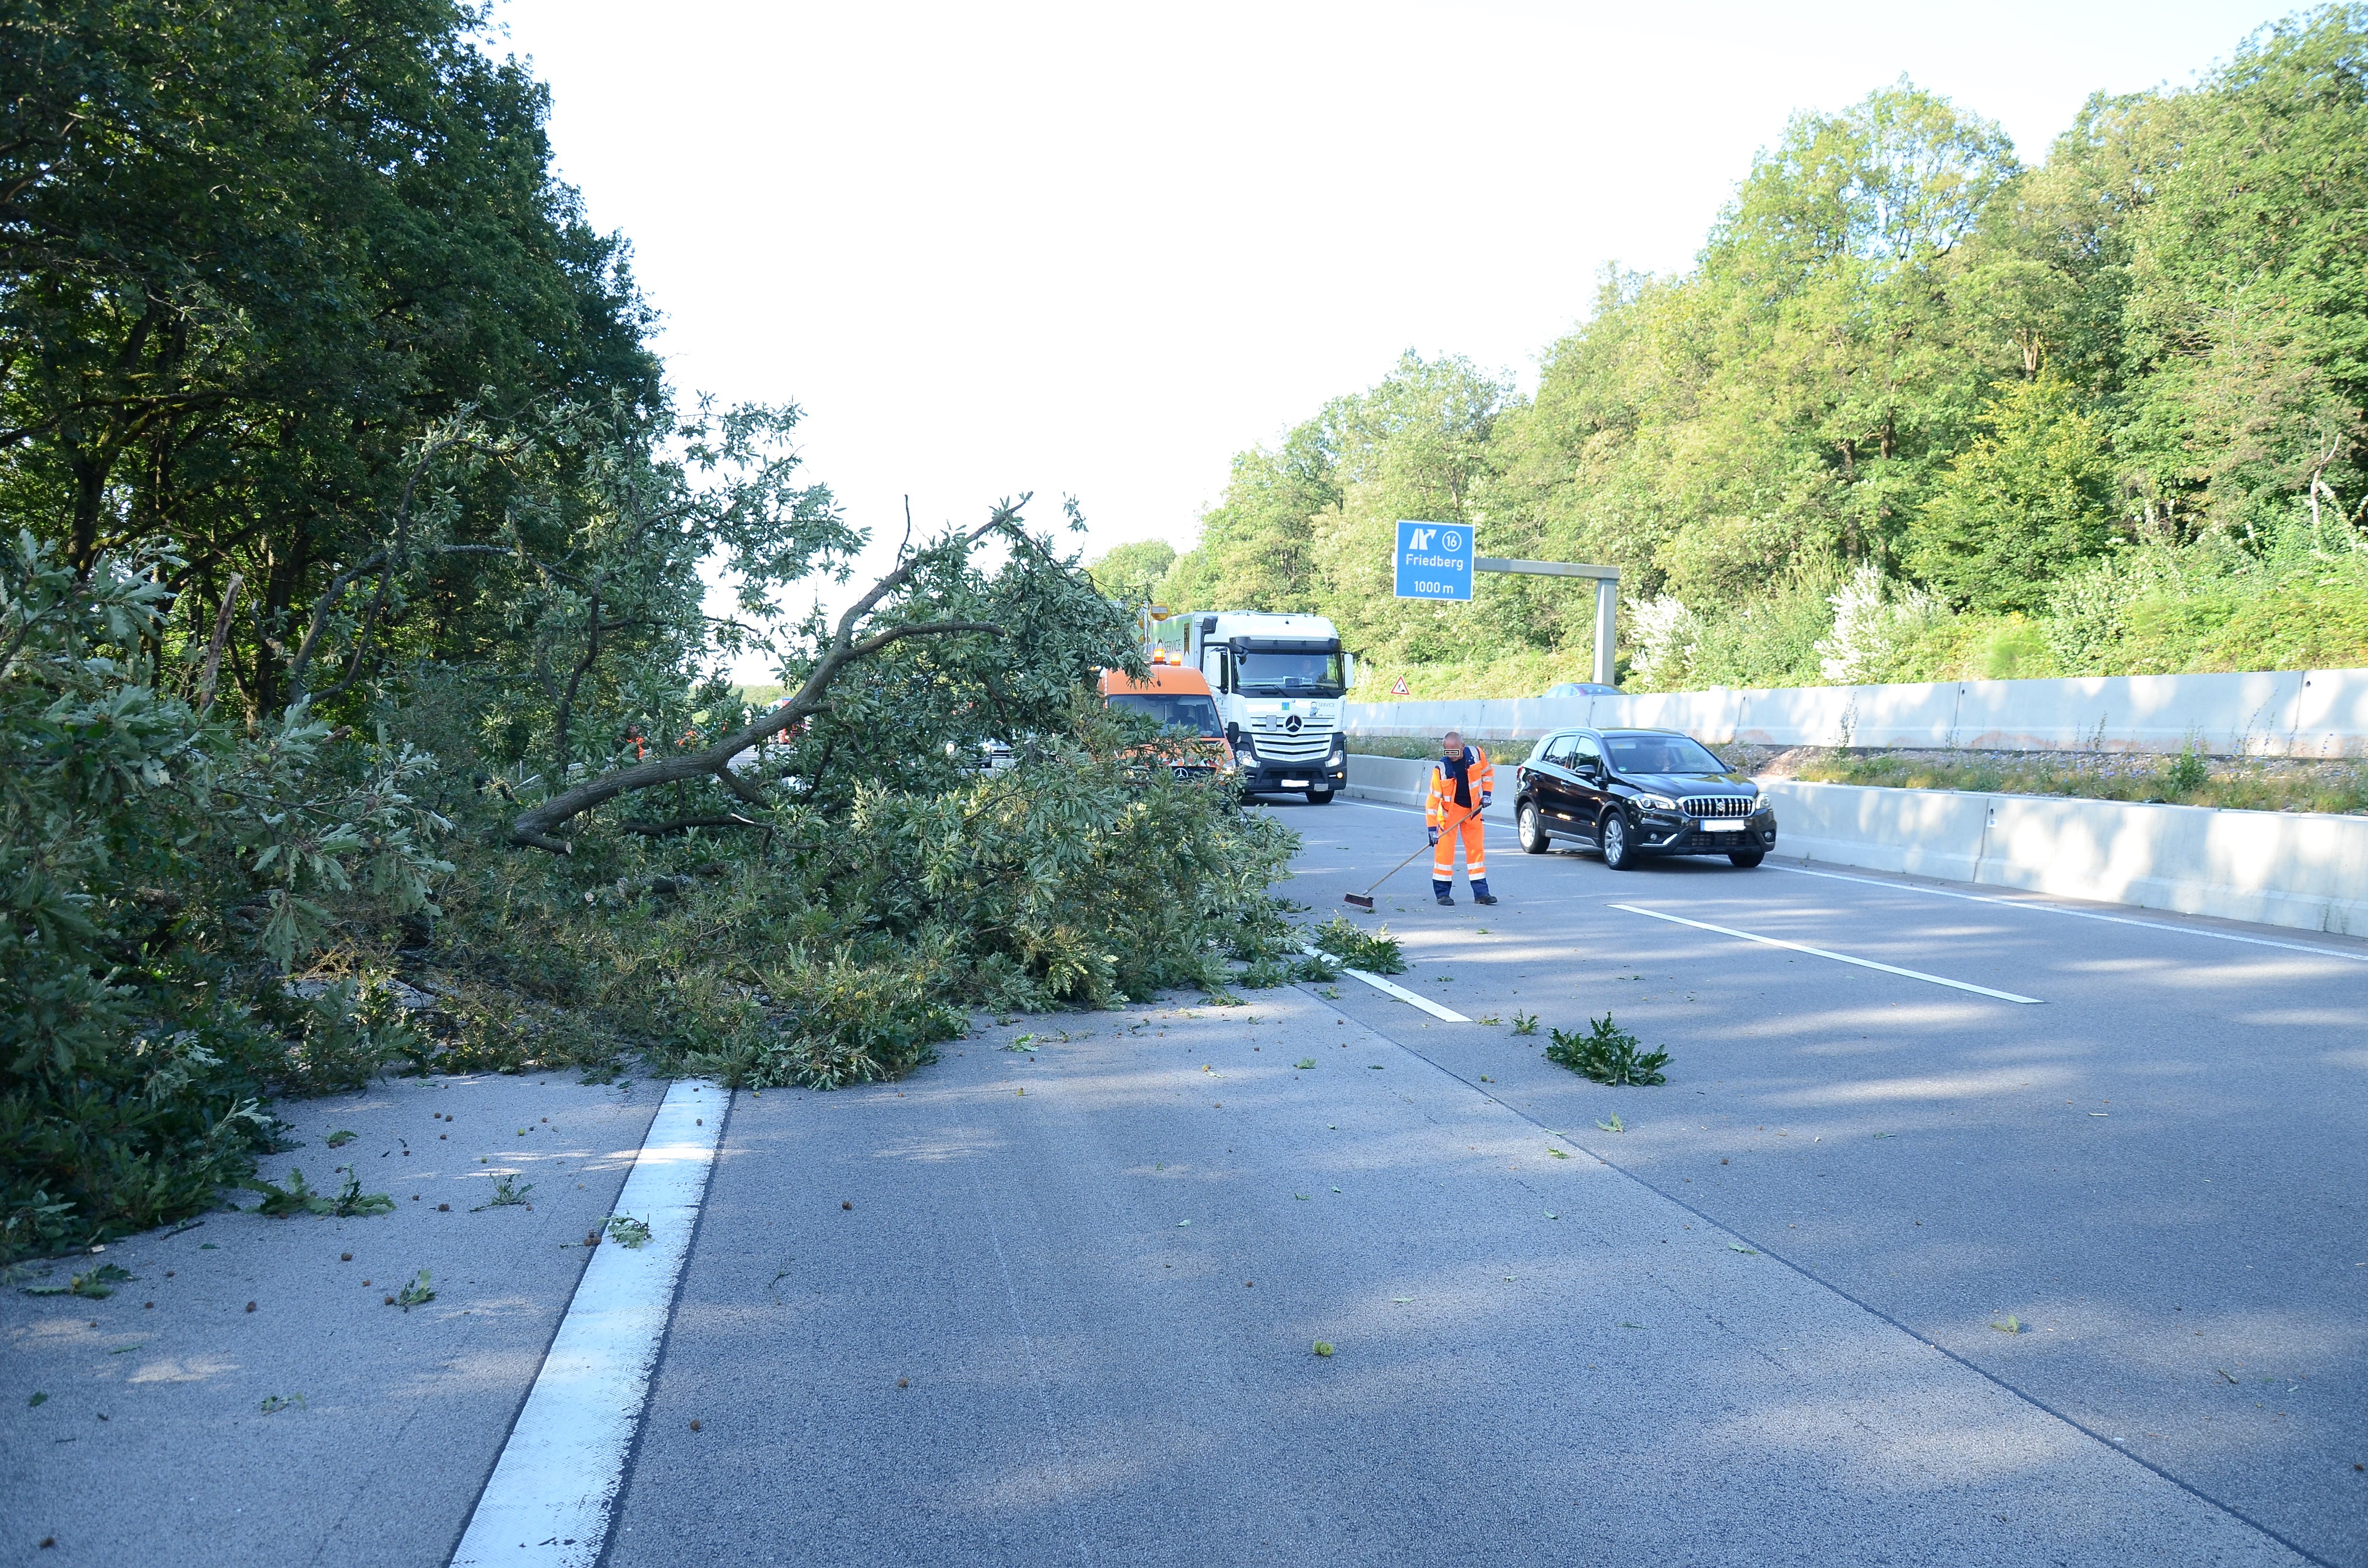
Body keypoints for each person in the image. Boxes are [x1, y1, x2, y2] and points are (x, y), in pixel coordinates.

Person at [1425, 730, 1495, 906]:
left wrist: (1486, 795)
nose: (1451, 755)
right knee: (1445, 853)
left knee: (1476, 850)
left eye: (1454, 751)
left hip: (1473, 810)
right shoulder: (1441, 769)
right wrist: (1432, 830)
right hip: (1450, 814)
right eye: (1447, 751)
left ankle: (1481, 894)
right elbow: (1432, 802)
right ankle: (1443, 894)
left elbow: (1488, 774)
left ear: (1462, 747)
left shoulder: (1477, 755)